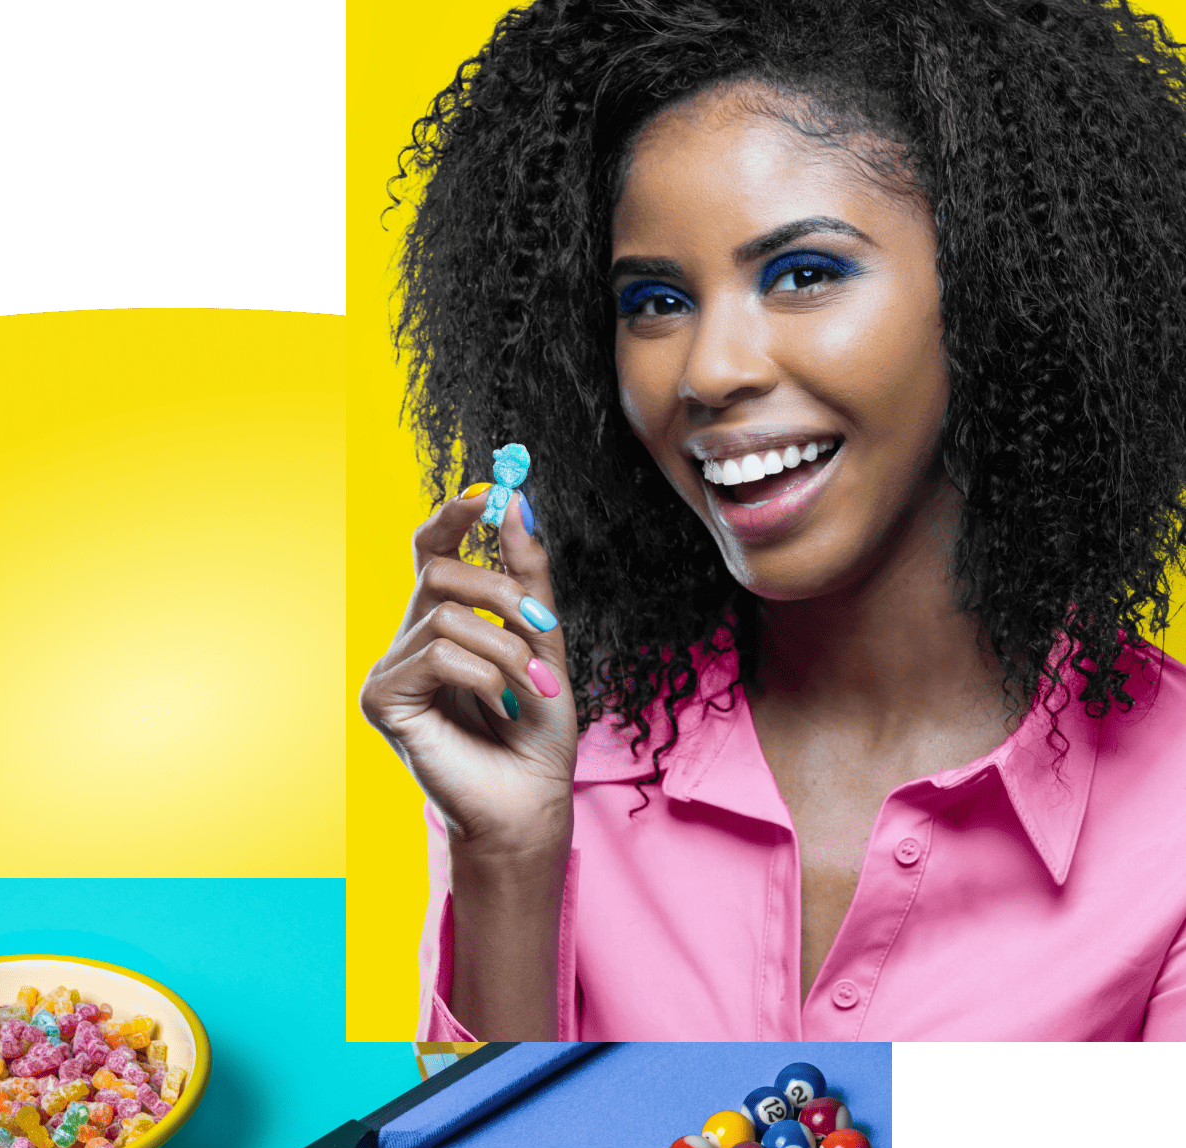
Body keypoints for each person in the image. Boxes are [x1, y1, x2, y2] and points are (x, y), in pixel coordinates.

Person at [359, 0, 1186, 1042]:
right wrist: (505, 861)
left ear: (1002, 289)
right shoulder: (550, 737)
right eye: (654, 301)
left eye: (803, 275)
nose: (707, 372)